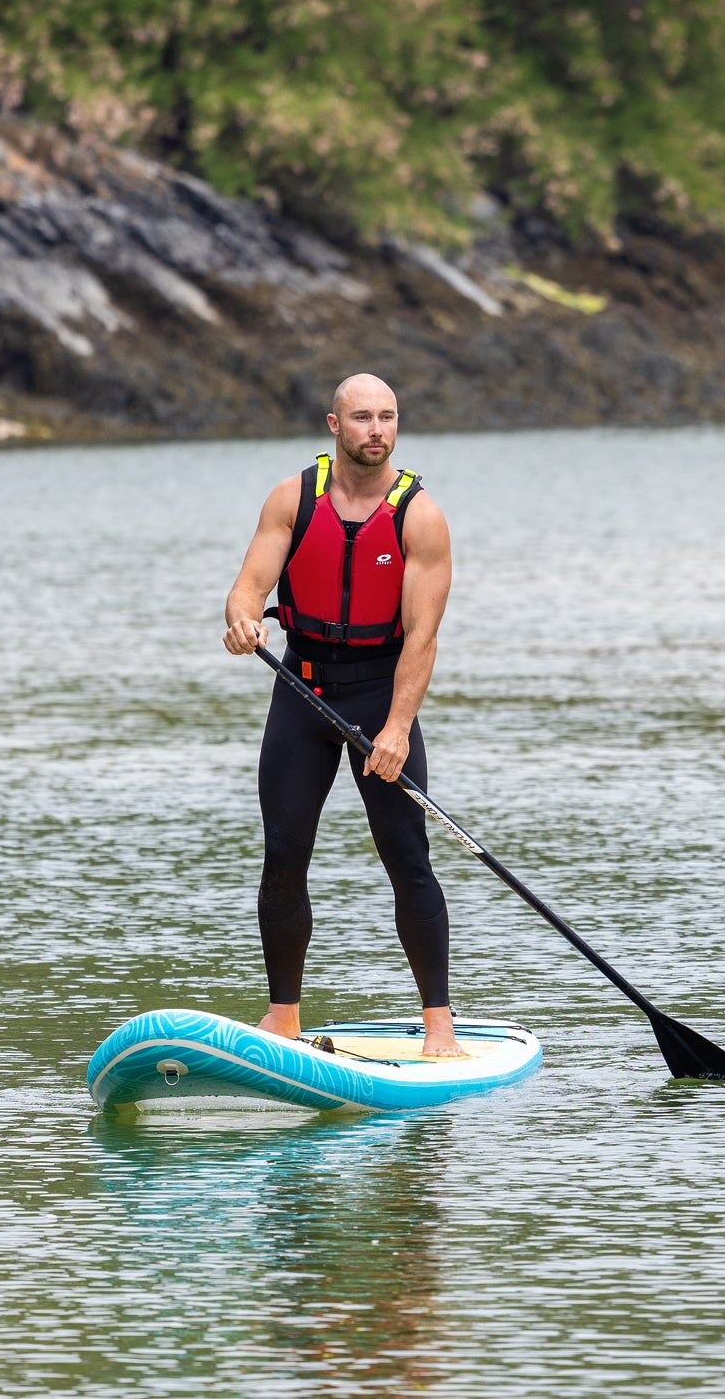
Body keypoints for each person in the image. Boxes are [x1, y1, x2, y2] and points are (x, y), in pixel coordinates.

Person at [222, 373, 465, 1057]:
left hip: (378, 694)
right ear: (335, 425)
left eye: (387, 417)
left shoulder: (419, 515)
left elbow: (422, 638)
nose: (376, 430)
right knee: (283, 855)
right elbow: (248, 589)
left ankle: (439, 1026)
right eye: (362, 417)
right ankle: (283, 1016)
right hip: (300, 692)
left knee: (407, 859)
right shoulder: (293, 498)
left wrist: (394, 728)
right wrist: (243, 621)